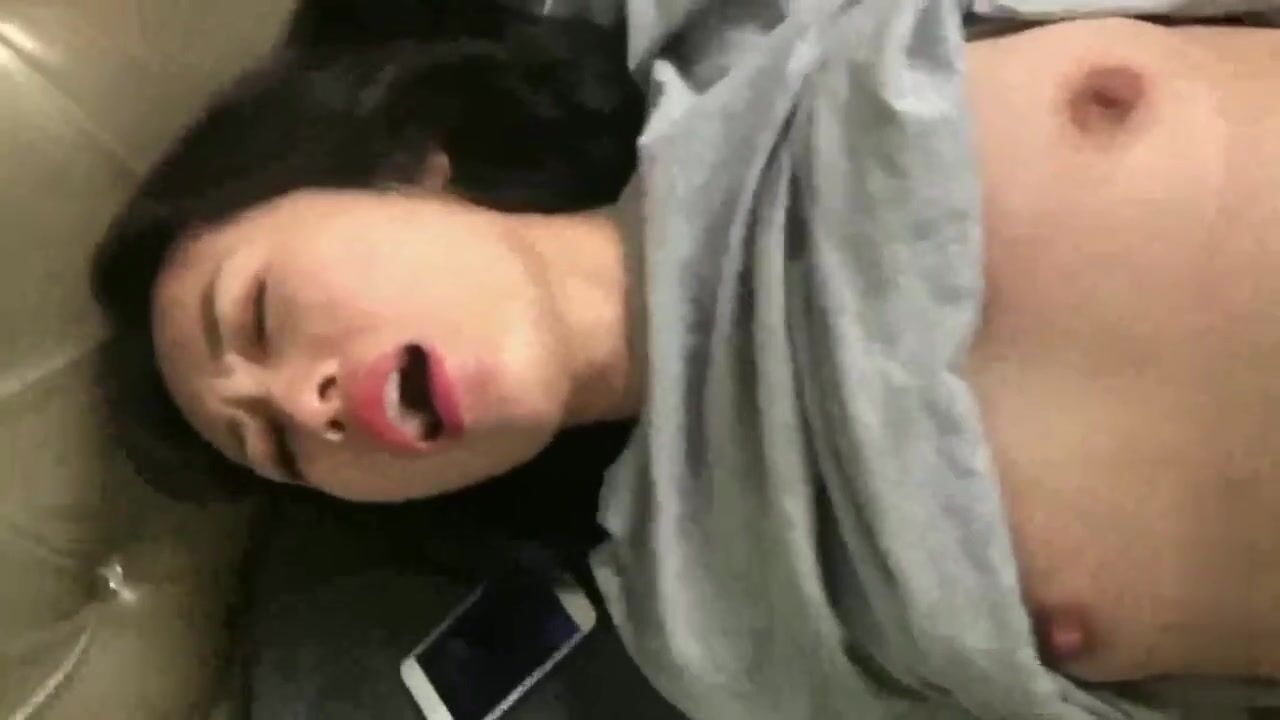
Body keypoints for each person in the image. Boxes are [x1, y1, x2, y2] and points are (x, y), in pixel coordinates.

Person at [90, 1, 1280, 717]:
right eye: (275, 445)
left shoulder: (757, 46)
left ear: (404, 160)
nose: (304, 403)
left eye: (258, 319)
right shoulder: (714, 639)